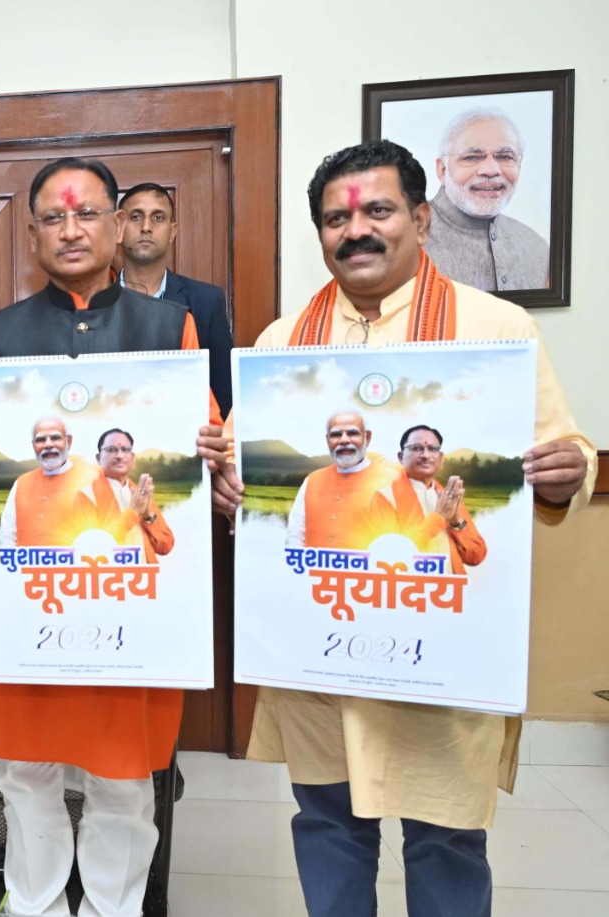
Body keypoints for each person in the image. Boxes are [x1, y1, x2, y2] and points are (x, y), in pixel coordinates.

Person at [210, 139, 595, 917]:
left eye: (378, 210)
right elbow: (249, 481)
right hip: (324, 641)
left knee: (445, 834)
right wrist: (228, 488)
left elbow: (569, 452)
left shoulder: (496, 328)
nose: (356, 230)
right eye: (336, 219)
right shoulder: (283, 344)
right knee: (327, 821)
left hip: (437, 639)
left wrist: (571, 471)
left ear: (421, 219)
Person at [0, 156, 228, 917]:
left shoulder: (169, 325)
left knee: (124, 780)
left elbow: (202, 436)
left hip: (125, 599)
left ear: (118, 224)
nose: (71, 230)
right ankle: (33, 904)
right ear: (32, 234)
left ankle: (110, 908)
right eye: (54, 218)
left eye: (87, 213)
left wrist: (212, 445)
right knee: (25, 776)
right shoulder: (0, 335)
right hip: (37, 602)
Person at [116, 182, 236, 411]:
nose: (146, 227)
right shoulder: (95, 301)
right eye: (136, 217)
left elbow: (224, 396)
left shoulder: (206, 301)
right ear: (118, 228)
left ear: (172, 232)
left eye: (158, 217)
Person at [424, 108, 548, 292]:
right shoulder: (402, 241)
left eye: (505, 157)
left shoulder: (537, 248)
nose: (490, 170)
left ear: (519, 166)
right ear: (442, 170)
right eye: (472, 157)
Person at [368, 425, 486, 573]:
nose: (426, 455)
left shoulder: (448, 498)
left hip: (451, 586)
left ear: (440, 458)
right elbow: (387, 558)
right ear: (400, 457)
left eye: (432, 449)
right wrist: (438, 519)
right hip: (410, 586)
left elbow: (476, 556)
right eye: (416, 448)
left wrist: (456, 523)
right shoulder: (385, 497)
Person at [284, 410, 399, 550]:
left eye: (352, 433)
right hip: (312, 564)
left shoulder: (395, 481)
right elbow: (295, 537)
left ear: (367, 438)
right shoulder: (312, 480)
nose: (344, 440)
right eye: (336, 434)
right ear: (328, 440)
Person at [0, 418, 99, 549]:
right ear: (33, 445)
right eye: (40, 440)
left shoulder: (93, 481)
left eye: (55, 438)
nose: (48, 445)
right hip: (24, 562)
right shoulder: (21, 483)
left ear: (69, 441)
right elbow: (7, 537)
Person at [75, 428, 175, 563]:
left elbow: (165, 546)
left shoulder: (140, 494)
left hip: (146, 574)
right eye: (111, 450)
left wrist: (148, 517)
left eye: (125, 450)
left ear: (132, 457)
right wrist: (133, 513)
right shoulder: (86, 496)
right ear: (98, 458)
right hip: (111, 575)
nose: (120, 455)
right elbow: (92, 550)